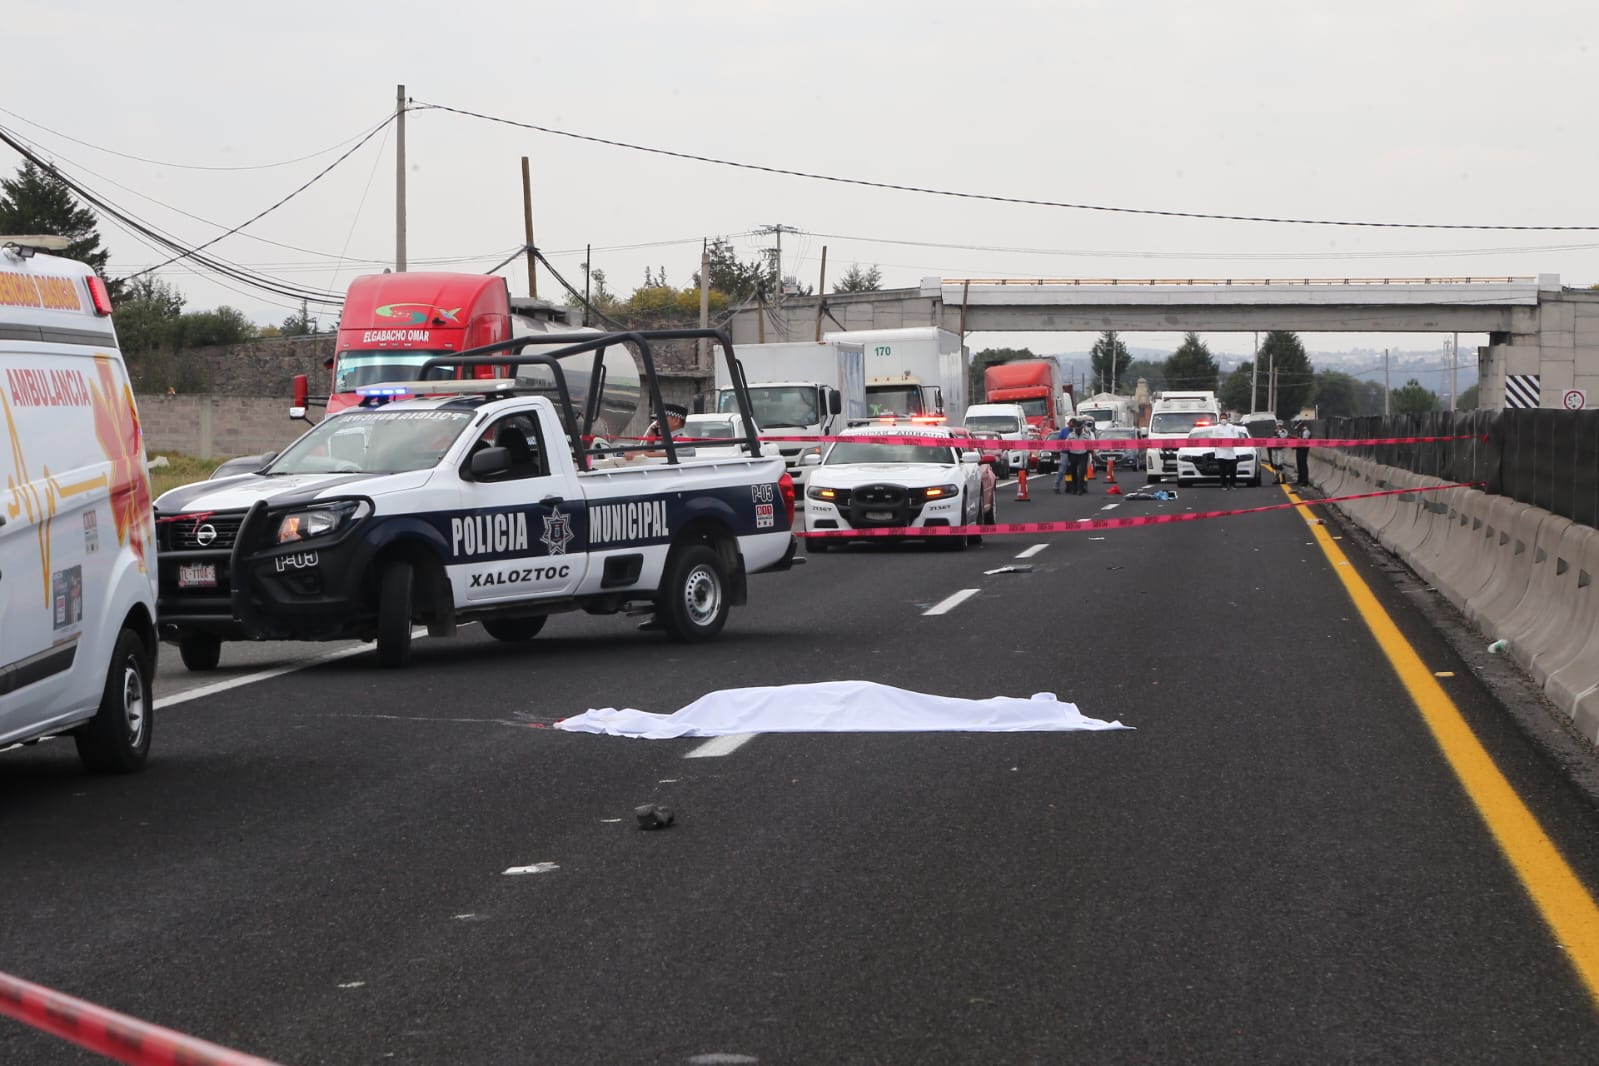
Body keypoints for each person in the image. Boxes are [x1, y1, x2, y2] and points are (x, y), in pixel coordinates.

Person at [1213, 412, 1245, 489]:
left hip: (1230, 453)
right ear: (1220, 419)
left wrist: (1229, 442)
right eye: (1222, 418)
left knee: (1233, 471)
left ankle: (1232, 485)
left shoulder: (1232, 427)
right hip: (1220, 453)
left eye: (1225, 418)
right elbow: (1213, 439)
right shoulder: (1216, 428)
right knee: (1222, 471)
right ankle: (1223, 485)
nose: (1223, 419)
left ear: (1227, 419)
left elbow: (1236, 438)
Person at [1294, 421, 1312, 487]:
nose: (1298, 428)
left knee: (1303, 465)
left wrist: (1296, 439)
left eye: (1298, 427)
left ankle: (1305, 481)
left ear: (1301, 425)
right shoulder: (1300, 431)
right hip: (1299, 449)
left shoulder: (1306, 432)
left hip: (1303, 450)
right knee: (1299, 464)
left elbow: (1304, 441)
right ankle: (1300, 480)